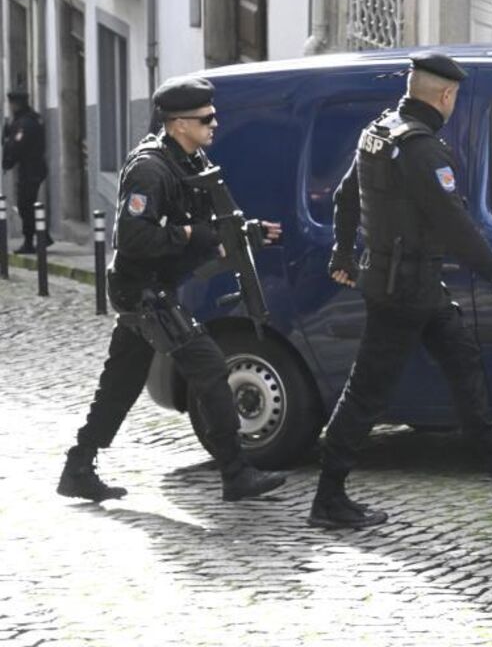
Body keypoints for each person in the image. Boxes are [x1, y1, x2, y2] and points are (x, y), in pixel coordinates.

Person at [309, 52, 492, 529]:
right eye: (455, 98)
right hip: (404, 291)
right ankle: (328, 498)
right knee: (366, 391)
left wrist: (343, 253)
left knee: (463, 364)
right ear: (445, 96)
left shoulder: (379, 133)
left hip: (409, 283)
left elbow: (345, 197)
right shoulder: (423, 151)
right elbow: (457, 231)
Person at [57, 76, 289, 503]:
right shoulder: (151, 169)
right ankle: (235, 474)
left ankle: (77, 467)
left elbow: (211, 222)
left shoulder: (191, 161)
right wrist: (187, 235)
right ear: (178, 123)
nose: (214, 123)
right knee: (211, 368)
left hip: (155, 287)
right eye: (206, 118)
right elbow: (133, 239)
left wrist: (250, 232)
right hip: (141, 291)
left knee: (122, 382)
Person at [2, 90, 49, 254]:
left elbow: (17, 146)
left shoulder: (25, 123)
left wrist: (8, 161)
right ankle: (43, 235)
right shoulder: (31, 118)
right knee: (29, 204)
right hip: (34, 167)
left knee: (25, 205)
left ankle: (30, 241)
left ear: (16, 104)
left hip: (31, 169)